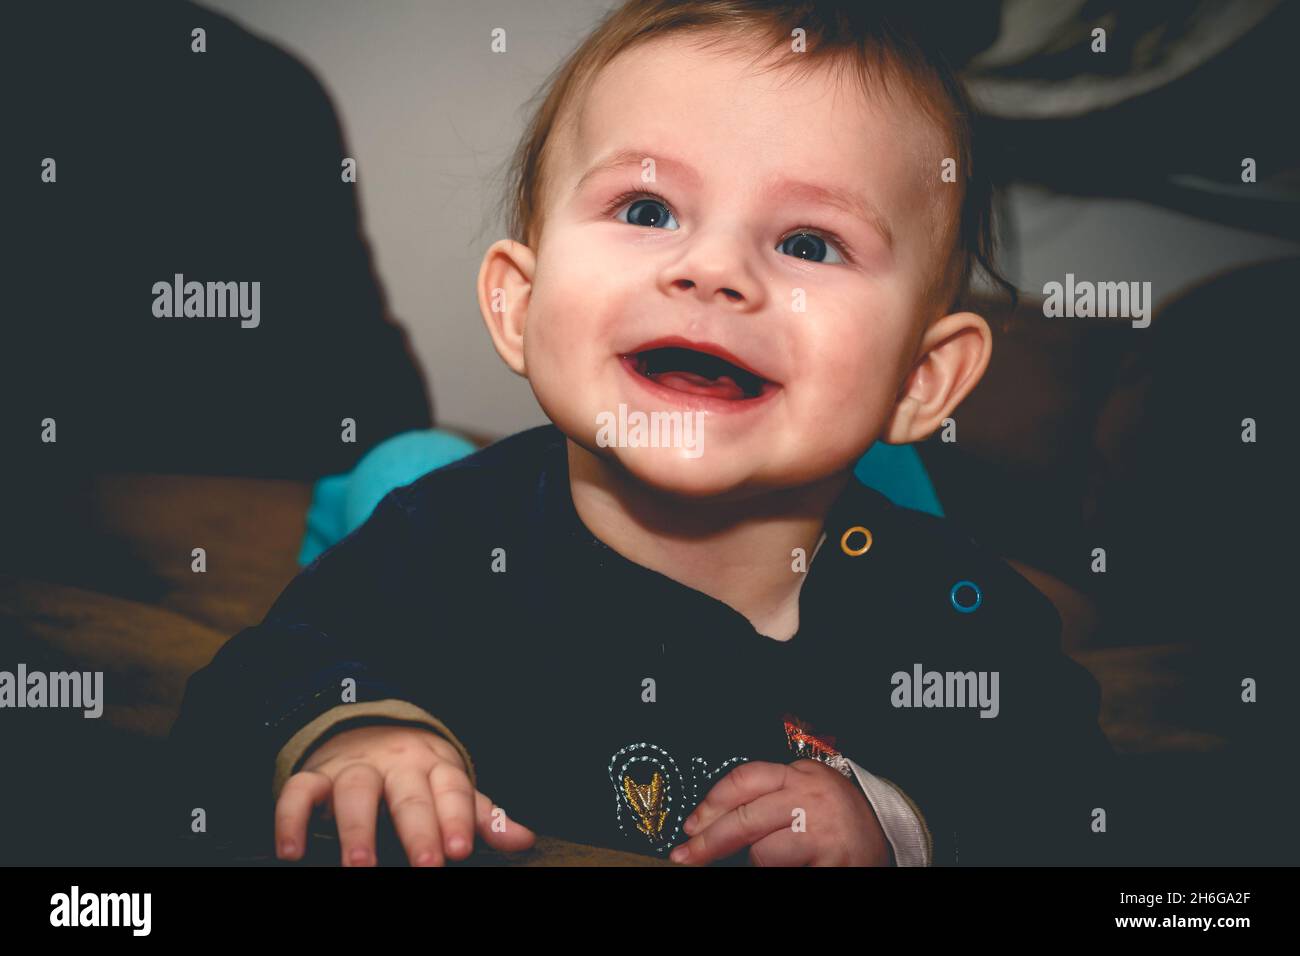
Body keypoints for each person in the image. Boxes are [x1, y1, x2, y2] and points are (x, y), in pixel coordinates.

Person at [170, 0, 1117, 867]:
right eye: (647, 209)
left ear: (921, 379)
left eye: (807, 244)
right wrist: (356, 731)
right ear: (520, 306)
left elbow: (1069, 792)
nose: (712, 269)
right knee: (399, 473)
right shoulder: (452, 539)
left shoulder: (950, 613)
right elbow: (259, 673)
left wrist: (895, 820)